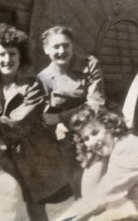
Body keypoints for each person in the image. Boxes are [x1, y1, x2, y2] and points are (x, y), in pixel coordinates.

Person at [0, 23, 68, 220]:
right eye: (1, 54)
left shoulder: (32, 85)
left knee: (36, 207)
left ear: (20, 55)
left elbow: (19, 125)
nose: (7, 60)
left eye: (12, 54)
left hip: (30, 156)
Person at [38, 25, 107, 197]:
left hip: (93, 131)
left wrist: (63, 120)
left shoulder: (90, 64)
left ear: (72, 45)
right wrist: (57, 125)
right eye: (56, 47)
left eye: (66, 45)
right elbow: (45, 115)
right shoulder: (43, 78)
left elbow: (96, 102)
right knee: (80, 190)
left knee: (104, 186)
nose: (62, 50)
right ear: (46, 49)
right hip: (66, 141)